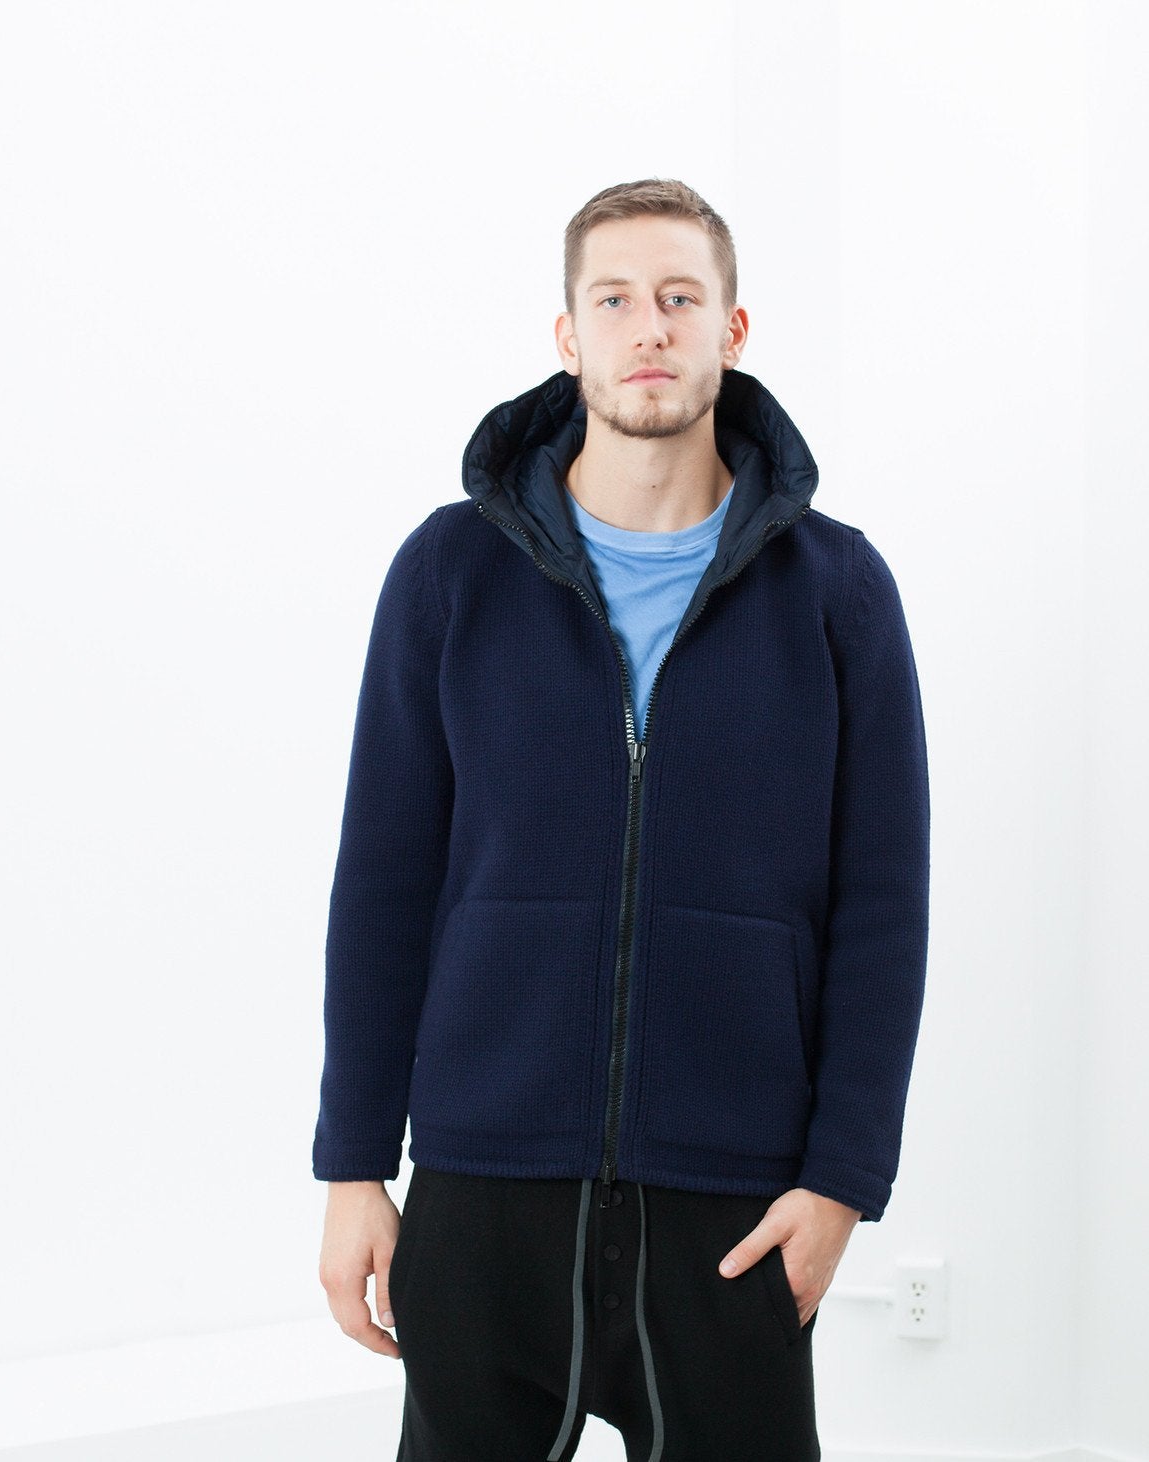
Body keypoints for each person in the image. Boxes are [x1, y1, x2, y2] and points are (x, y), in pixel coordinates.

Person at [312, 177, 931, 1462]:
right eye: (613, 300)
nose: (647, 327)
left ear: (730, 330)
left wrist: (840, 1181)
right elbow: (382, 882)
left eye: (678, 297)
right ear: (568, 336)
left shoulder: (836, 591)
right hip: (484, 1180)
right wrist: (354, 1165)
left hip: (733, 1198)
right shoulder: (449, 575)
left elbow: (883, 906)